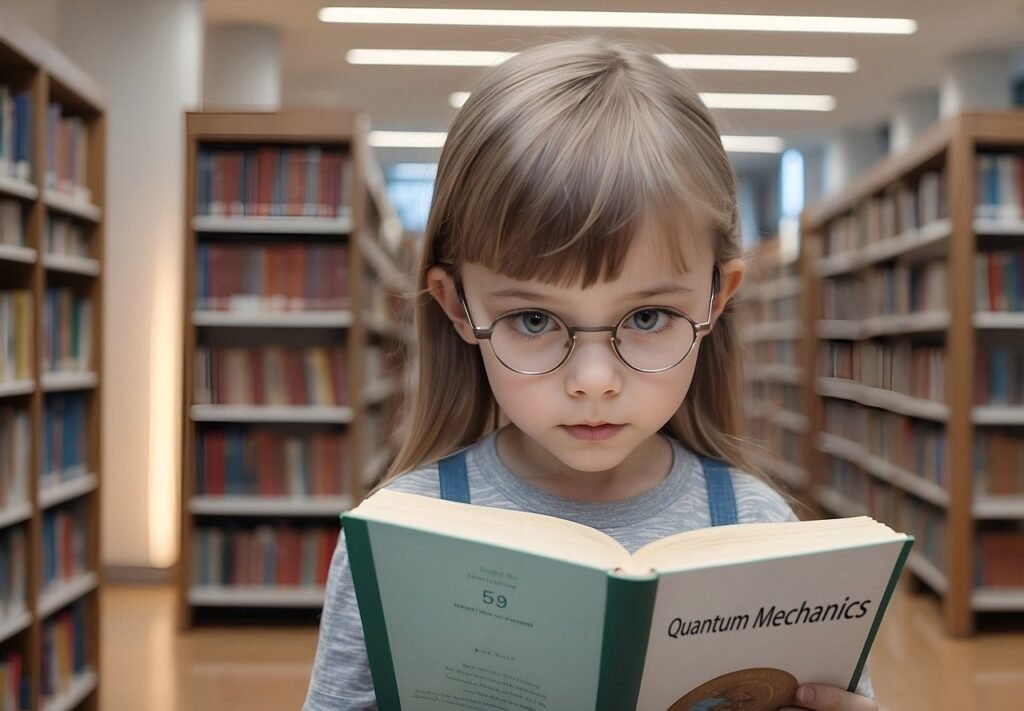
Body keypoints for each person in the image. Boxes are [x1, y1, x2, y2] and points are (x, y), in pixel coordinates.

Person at [304, 37, 876, 711]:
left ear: (716, 300)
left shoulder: (762, 530)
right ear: (458, 305)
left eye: (648, 315)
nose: (595, 380)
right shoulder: (401, 536)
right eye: (536, 321)